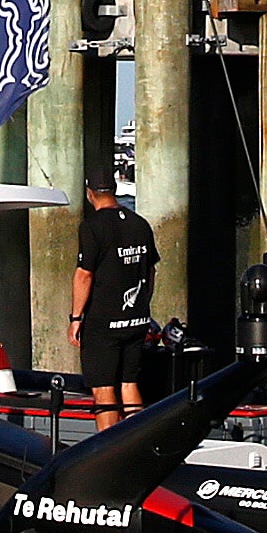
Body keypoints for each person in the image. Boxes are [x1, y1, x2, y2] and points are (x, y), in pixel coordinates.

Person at [70, 171, 161, 416]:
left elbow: (84, 275)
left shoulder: (91, 227)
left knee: (103, 388)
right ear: (115, 190)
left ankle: (108, 448)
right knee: (129, 383)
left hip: (103, 323)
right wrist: (142, 305)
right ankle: (135, 444)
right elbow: (150, 271)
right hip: (137, 319)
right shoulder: (140, 223)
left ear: (90, 194)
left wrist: (76, 319)